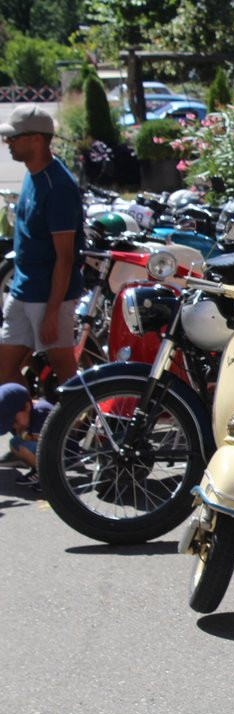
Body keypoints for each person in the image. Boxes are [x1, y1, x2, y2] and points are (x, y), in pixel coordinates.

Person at [0, 105, 84, 388]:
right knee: (4, 371)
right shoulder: (31, 174)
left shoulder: (58, 187)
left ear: (37, 139)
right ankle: (35, 426)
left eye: (14, 137)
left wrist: (52, 311)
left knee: (68, 379)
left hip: (49, 298)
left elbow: (65, 257)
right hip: (23, 290)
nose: (7, 143)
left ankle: (92, 430)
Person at [0, 382, 52, 486]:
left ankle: (49, 476)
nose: (14, 426)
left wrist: (24, 434)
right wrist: (21, 432)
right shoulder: (28, 415)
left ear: (27, 406)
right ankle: (37, 468)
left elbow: (41, 441)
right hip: (49, 450)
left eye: (15, 421)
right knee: (14, 443)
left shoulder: (40, 413)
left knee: (23, 448)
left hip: (63, 452)